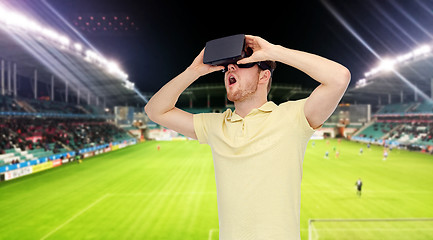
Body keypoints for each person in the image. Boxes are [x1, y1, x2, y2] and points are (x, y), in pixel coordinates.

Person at [145, 35, 350, 240]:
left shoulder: (292, 118)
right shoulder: (216, 126)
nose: (230, 69)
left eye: (242, 64)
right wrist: (193, 72)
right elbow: (155, 111)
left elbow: (339, 77)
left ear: (264, 76)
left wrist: (274, 52)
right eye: (227, 67)